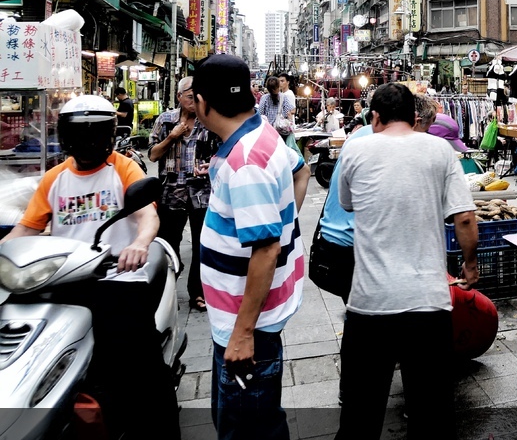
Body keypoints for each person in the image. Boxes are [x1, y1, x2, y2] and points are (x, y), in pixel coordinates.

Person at [1, 95, 180, 440]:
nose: (88, 141)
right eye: (80, 134)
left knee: (143, 372)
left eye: (96, 133)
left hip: (118, 279)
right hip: (65, 281)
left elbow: (147, 217)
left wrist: (139, 244)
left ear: (110, 134)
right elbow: (27, 228)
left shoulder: (124, 168)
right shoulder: (54, 178)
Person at [335, 83, 478, 439]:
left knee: (359, 418)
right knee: (431, 418)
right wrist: (470, 265)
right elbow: (465, 219)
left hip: (370, 306)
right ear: (415, 117)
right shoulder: (439, 150)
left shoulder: (355, 149)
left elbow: (348, 203)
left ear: (375, 117)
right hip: (428, 305)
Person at [193, 55, 306, 440]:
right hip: (245, 318)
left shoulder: (245, 162)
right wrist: (284, 218)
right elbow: (300, 168)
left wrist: (242, 334)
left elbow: (266, 250)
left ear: (203, 102)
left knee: (248, 431)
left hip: (248, 327)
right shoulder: (261, 131)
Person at [315, 91, 439, 406]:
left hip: (337, 246)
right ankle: (372, 395)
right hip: (351, 248)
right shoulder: (382, 145)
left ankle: (362, 390)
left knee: (370, 319)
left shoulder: (364, 139)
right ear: (415, 120)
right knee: (383, 320)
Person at [149, 75, 217, 312]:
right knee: (168, 244)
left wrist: (212, 165)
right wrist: (172, 136)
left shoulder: (208, 120)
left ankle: (197, 293)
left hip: (202, 194)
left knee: (202, 244)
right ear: (179, 97)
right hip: (171, 193)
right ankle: (167, 292)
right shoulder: (166, 120)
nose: (195, 100)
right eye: (190, 96)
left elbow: (223, 153)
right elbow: (153, 155)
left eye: (198, 96)